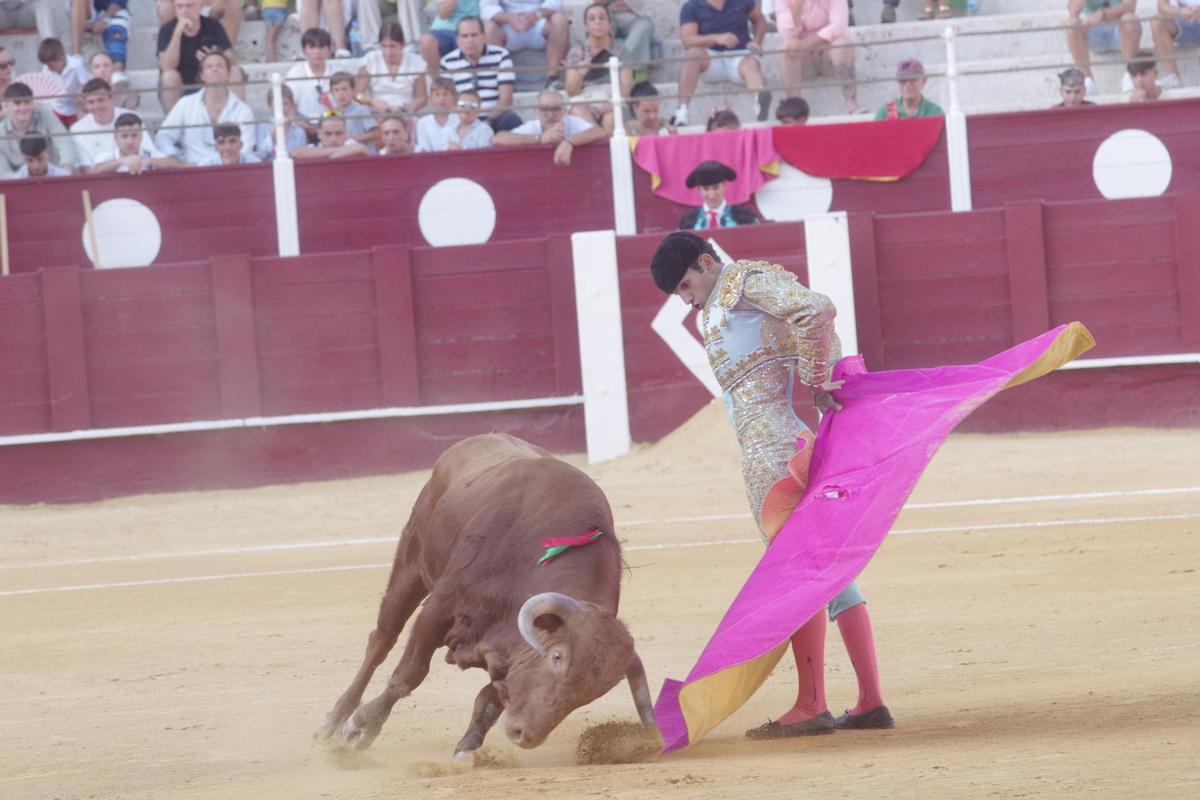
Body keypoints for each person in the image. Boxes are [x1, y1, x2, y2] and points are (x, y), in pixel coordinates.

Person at [648, 231, 892, 740]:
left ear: (705, 262)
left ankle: (811, 705)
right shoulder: (738, 292)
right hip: (792, 446)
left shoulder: (741, 283)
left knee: (796, 577)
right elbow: (810, 317)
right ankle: (870, 702)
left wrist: (818, 378)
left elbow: (816, 311)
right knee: (826, 572)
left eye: (686, 285)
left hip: (771, 458)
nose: (688, 300)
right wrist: (818, 378)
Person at [675, 0, 770, 126]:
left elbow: (759, 19)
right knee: (692, 54)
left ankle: (760, 101)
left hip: (740, 55)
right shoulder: (692, 6)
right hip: (711, 58)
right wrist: (716, 38)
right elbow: (687, 41)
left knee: (751, 64)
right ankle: (682, 110)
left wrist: (757, 41)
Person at [155, 50, 254, 164]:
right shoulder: (185, 104)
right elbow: (163, 137)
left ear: (228, 74)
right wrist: (174, 157)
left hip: (230, 170)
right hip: (193, 172)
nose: (214, 69)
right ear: (202, 75)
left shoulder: (243, 110)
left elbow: (246, 148)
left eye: (219, 66)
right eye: (209, 66)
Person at [157, 0, 241, 114]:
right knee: (169, 76)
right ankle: (174, 125)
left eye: (189, 6)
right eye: (180, 7)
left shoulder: (213, 25)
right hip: (182, 84)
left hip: (210, 82)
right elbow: (167, 65)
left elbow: (231, 58)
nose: (184, 11)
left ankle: (236, 120)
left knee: (234, 71)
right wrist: (178, 32)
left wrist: (215, 55)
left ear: (200, 6)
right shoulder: (167, 29)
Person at [775, 0, 859, 114]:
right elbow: (787, 34)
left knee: (842, 43)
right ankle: (795, 109)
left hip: (829, 57)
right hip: (803, 59)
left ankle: (852, 105)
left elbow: (839, 26)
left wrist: (807, 44)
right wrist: (799, 5)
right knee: (786, 48)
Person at [440, 15, 520, 131]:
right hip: (463, 121)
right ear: (457, 40)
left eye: (474, 35)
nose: (470, 40)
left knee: (511, 119)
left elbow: (506, 99)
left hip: (494, 119)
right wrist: (469, 123)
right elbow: (448, 102)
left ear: (483, 36)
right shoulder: (447, 62)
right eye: (465, 36)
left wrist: (486, 123)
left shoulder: (501, 55)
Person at [564, 3, 633, 134]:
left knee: (611, 119)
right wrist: (580, 74)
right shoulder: (577, 51)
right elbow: (571, 92)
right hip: (585, 101)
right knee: (577, 112)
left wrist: (610, 105)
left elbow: (625, 87)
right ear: (586, 26)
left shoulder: (621, 50)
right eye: (592, 19)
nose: (598, 22)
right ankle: (600, 136)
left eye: (602, 18)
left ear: (609, 24)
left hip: (613, 99)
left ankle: (600, 138)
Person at [493, 88, 606, 165]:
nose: (550, 115)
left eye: (555, 108)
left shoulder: (572, 122)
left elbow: (600, 132)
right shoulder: (533, 126)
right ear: (536, 112)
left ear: (564, 111)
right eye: (544, 109)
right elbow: (498, 139)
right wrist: (540, 138)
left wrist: (569, 142)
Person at [481, 0, 569, 88]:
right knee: (488, 29)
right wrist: (508, 18)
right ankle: (505, 84)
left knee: (560, 19)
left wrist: (537, 14)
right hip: (507, 24)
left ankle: (552, 78)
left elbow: (555, 2)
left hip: (538, 21)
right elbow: (487, 6)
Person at [72, 78, 151, 171]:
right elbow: (87, 172)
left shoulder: (133, 117)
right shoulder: (77, 129)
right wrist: (120, 162)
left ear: (111, 99)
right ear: (85, 104)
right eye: (91, 102)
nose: (96, 106)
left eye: (101, 100)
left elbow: (148, 154)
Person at [0, 82, 76, 177]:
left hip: (54, 178)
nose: (23, 108)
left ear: (33, 102)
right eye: (17, 103)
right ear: (6, 105)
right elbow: (3, 174)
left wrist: (66, 172)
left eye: (27, 102)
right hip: (21, 184)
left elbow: (64, 143)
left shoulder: (46, 114)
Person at [1065, 0, 1141, 95]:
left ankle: (1130, 74)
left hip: (1119, 28)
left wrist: (1103, 13)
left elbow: (1130, 6)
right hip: (1094, 30)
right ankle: (1087, 81)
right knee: (1071, 25)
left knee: (1130, 19)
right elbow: (1073, 13)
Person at [357, 21, 427, 115]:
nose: (388, 52)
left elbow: (422, 97)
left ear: (402, 45)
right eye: (383, 46)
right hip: (377, 113)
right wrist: (372, 101)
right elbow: (357, 94)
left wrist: (412, 106)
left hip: (405, 113)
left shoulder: (415, 62)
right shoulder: (371, 60)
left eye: (392, 46)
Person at [677, 160, 759, 229]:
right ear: (699, 189)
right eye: (706, 189)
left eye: (715, 188)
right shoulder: (688, 222)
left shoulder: (744, 218)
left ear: (724, 185)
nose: (711, 195)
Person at [92, 112, 183, 172]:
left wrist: (151, 162)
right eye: (124, 136)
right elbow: (94, 172)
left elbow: (178, 166)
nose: (130, 141)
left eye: (134, 135)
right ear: (115, 137)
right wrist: (121, 162)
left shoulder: (151, 156)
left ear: (141, 136)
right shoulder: (106, 157)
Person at [287, 27, 337, 133]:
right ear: (304, 51)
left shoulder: (337, 73)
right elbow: (290, 108)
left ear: (329, 50)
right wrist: (306, 127)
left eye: (321, 47)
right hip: (303, 128)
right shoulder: (295, 74)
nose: (317, 52)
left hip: (333, 126)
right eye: (312, 47)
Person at [68, 0, 132, 76]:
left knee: (116, 35)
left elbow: (117, 4)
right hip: (85, 10)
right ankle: (76, 57)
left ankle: (117, 74)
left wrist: (104, 20)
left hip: (113, 13)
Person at [420, 0, 482, 74]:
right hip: (442, 29)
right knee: (426, 41)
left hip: (470, 27)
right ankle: (439, 82)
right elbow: (443, 14)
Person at [37, 37, 90, 124]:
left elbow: (86, 84)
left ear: (61, 57)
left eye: (51, 65)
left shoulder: (76, 65)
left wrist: (80, 94)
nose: (49, 69)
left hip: (74, 107)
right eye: (47, 65)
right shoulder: (46, 68)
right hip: (56, 107)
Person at [1150, 0, 1200, 88]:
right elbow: (1161, 6)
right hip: (1188, 20)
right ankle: (1174, 77)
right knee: (1157, 21)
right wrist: (1181, 11)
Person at [874, 57, 943, 119]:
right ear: (898, 82)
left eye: (913, 79)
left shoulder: (934, 113)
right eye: (903, 80)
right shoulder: (885, 112)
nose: (908, 84)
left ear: (924, 81)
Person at [598, 1, 653, 77]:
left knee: (643, 29)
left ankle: (640, 79)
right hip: (607, 13)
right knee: (599, 26)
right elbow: (597, 2)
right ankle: (604, 77)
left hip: (634, 16)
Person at [328, 71, 380, 151]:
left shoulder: (362, 109)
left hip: (364, 156)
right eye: (337, 90)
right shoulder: (332, 114)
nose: (341, 93)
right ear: (332, 93)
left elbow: (375, 134)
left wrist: (351, 139)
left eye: (344, 89)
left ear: (353, 90)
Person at [156, 0, 241, 47]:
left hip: (208, 6)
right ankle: (167, 53)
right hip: (182, 6)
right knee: (165, 7)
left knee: (233, 3)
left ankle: (224, 53)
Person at [255, 84, 308, 160]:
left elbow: (300, 158)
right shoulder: (263, 127)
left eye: (285, 103)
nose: (281, 108)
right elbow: (260, 156)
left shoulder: (299, 132)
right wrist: (271, 137)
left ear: (291, 105)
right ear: (269, 105)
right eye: (277, 104)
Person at [291, 112, 371, 159]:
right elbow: (295, 153)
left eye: (338, 133)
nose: (333, 139)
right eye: (328, 134)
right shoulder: (312, 147)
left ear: (346, 133)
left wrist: (322, 155)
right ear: (319, 134)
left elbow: (362, 149)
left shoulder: (352, 144)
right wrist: (336, 151)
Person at [6, 134, 71, 178]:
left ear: (48, 153)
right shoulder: (15, 181)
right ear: (23, 156)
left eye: (40, 159)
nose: (35, 166)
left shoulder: (64, 176)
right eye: (29, 160)